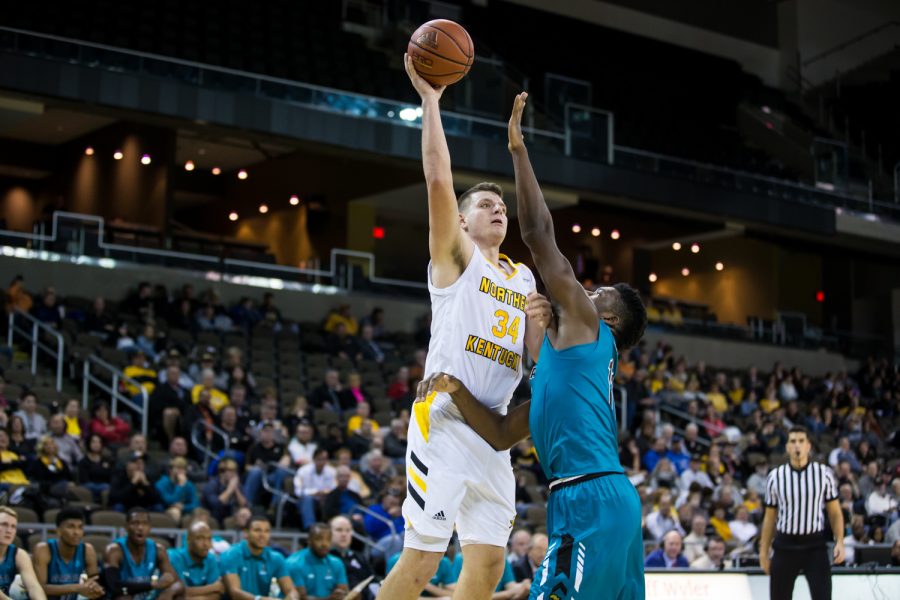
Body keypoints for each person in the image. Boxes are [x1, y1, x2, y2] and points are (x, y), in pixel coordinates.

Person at [415, 92, 648, 600]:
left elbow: (540, 235)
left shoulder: (591, 325)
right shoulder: (561, 368)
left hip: (588, 498)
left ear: (607, 317)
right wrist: (455, 386)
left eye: (596, 294)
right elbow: (500, 433)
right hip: (602, 497)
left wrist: (518, 150)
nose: (584, 293)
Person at [380, 59, 543, 600]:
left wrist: (542, 324)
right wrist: (431, 102)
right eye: (485, 205)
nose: (498, 210)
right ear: (464, 221)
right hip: (444, 421)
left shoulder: (522, 277)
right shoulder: (455, 259)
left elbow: (534, 360)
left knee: (491, 562)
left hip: (491, 429)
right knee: (424, 558)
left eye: (502, 206)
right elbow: (437, 179)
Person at [759, 426, 845, 600]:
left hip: (815, 545)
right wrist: (763, 551)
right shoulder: (775, 477)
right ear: (787, 447)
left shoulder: (823, 474)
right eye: (792, 441)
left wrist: (840, 541)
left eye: (801, 441)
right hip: (785, 545)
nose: (797, 446)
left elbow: (835, 512)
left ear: (808, 446)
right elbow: (769, 518)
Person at [103, 508, 184, 600]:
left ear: (150, 528)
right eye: (135, 523)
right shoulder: (114, 551)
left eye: (144, 523)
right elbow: (114, 586)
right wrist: (152, 584)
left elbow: (179, 584)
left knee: (177, 594)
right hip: (122, 596)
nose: (140, 528)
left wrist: (169, 592)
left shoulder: (158, 550)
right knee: (123, 598)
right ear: (126, 526)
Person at [219, 515, 302, 600]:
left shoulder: (276, 558)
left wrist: (293, 597)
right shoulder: (231, 555)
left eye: (267, 531)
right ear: (246, 533)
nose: (262, 535)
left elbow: (291, 590)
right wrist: (259, 599)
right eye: (257, 530)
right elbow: (234, 593)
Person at [32, 508, 104, 600]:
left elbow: (94, 583)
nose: (76, 532)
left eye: (80, 527)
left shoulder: (87, 550)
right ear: (58, 531)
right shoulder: (43, 550)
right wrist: (77, 588)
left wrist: (95, 588)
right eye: (71, 527)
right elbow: (38, 588)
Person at [286, 524, 348, 600]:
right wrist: (330, 599)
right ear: (309, 541)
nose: (324, 544)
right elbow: (301, 598)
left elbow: (343, 593)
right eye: (319, 539)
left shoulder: (337, 563)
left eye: (328, 539)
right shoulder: (294, 563)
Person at [167, 522, 224, 600]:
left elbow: (217, 595)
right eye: (200, 538)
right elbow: (177, 593)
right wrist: (212, 587)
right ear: (188, 540)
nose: (206, 544)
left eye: (209, 539)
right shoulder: (174, 557)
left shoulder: (211, 559)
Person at [0, 507, 47, 600]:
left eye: (13, 526)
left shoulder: (19, 554)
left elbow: (33, 586)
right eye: (4, 524)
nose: (9, 530)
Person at [329, 516, 377, 600]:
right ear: (329, 533)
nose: (344, 534)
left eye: (348, 530)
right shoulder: (324, 559)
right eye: (339, 530)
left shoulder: (360, 557)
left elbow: (373, 582)